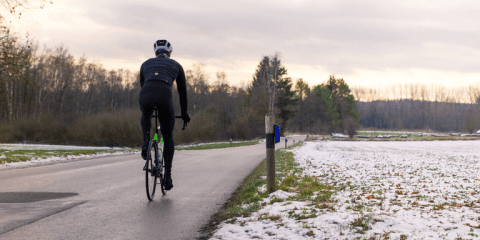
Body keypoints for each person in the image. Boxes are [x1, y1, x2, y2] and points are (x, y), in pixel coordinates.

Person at [139, 39, 190, 190]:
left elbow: (143, 86)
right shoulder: (176, 65)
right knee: (167, 136)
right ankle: (167, 177)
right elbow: (182, 93)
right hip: (164, 96)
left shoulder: (145, 64)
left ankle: (145, 142)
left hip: (146, 94)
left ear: (155, 53)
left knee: (146, 113)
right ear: (170, 53)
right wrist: (184, 113)